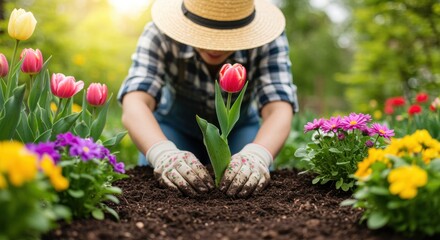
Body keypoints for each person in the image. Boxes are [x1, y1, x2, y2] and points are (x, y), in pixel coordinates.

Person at [117, 0, 298, 198]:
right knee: (159, 184)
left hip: (238, 130)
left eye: (227, 37)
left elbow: (278, 108)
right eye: (204, 33)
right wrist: (162, 152)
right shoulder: (160, 34)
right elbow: (135, 100)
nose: (215, 48)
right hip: (176, 128)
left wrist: (259, 154)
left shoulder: (267, 40)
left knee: (250, 183)